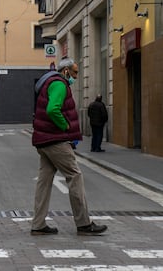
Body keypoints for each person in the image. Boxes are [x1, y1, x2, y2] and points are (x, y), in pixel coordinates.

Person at [31, 57, 107, 236]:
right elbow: (52, 109)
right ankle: (84, 223)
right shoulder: (59, 84)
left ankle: (38, 224)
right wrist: (65, 126)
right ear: (65, 71)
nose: (76, 76)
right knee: (75, 175)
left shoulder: (49, 83)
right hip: (55, 140)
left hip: (44, 140)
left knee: (44, 181)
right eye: (74, 72)